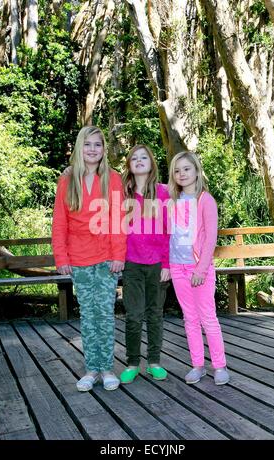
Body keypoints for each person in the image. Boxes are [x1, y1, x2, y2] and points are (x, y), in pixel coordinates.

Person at [52, 126, 126, 392]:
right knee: (88, 314)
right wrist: (61, 256)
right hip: (78, 257)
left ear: (104, 150)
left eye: (98, 145)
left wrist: (119, 255)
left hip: (106, 257)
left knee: (105, 313)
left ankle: (107, 368)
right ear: (79, 148)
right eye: (88, 144)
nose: (93, 149)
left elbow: (118, 220)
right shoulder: (67, 181)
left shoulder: (113, 179)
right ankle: (91, 369)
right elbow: (60, 223)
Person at [168, 151, 230, 385]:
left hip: (199, 269)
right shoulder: (172, 200)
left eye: (186, 169)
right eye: (177, 170)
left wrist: (200, 270)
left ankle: (220, 366)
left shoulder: (205, 200)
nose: (181, 174)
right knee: (189, 318)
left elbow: (210, 239)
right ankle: (198, 365)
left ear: (196, 171)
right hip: (177, 267)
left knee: (208, 317)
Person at [119, 144, 170, 384]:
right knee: (134, 315)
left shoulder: (163, 193)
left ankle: (154, 361)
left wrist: (168, 264)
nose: (139, 161)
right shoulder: (122, 193)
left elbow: (170, 231)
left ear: (151, 164)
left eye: (144, 157)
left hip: (158, 264)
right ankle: (132, 362)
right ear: (129, 165)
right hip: (131, 264)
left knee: (155, 314)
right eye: (134, 158)